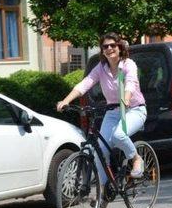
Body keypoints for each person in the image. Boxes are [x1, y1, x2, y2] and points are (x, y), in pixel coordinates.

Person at [57, 32, 147, 181]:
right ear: (102, 50)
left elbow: (131, 82)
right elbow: (85, 83)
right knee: (100, 150)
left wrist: (126, 98)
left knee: (119, 135)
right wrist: (66, 100)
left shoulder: (128, 64)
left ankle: (136, 159)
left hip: (134, 109)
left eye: (113, 45)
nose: (109, 48)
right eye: (105, 46)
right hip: (113, 111)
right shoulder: (101, 68)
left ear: (119, 47)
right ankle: (105, 190)